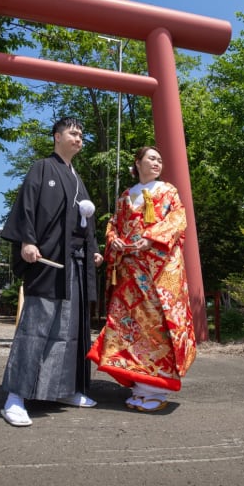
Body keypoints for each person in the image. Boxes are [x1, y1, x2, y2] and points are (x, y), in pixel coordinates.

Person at [0, 117, 103, 427]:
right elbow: (27, 204)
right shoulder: (42, 168)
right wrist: (27, 240)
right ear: (57, 137)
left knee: (71, 330)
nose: (79, 138)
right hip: (49, 259)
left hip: (75, 263)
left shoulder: (78, 179)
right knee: (37, 326)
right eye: (73, 133)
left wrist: (93, 247)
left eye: (82, 134)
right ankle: (16, 396)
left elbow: (86, 222)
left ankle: (64, 389)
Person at [87, 146, 197, 411]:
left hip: (158, 270)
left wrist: (147, 240)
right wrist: (115, 242)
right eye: (151, 158)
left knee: (157, 326)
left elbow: (178, 219)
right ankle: (140, 386)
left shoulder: (168, 191)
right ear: (137, 163)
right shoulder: (126, 196)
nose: (158, 162)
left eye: (160, 159)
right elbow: (114, 224)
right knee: (130, 325)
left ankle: (157, 389)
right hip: (131, 270)